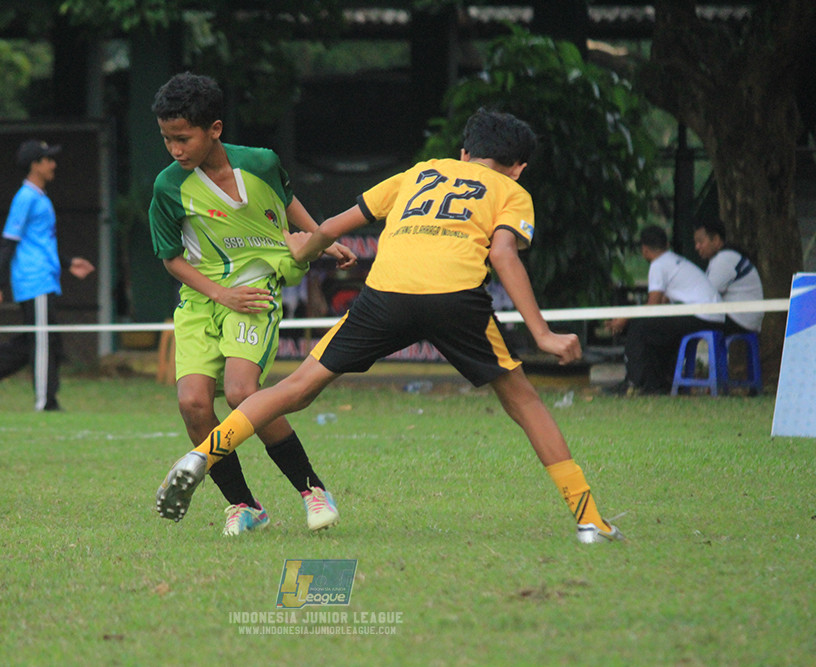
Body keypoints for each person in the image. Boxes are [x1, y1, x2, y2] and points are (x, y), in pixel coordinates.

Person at [156, 108, 624, 544]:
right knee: (524, 402)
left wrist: (306, 249)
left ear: (463, 152)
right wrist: (542, 333)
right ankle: (588, 519)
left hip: (385, 294)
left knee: (297, 387)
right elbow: (502, 254)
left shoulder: (418, 173)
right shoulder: (512, 191)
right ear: (519, 167)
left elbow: (337, 224)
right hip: (455, 299)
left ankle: (203, 454)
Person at [148, 72, 356, 536]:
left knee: (244, 393)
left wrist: (322, 239)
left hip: (255, 290)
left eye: (183, 138)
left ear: (215, 130)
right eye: (167, 140)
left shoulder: (261, 163)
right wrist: (220, 293)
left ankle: (311, 490)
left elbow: (288, 201)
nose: (175, 149)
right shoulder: (167, 187)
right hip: (203, 299)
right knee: (193, 403)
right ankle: (245, 505)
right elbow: (171, 260)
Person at [0, 139, 95, 412]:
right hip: (34, 280)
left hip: (44, 276)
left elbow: (39, 243)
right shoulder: (26, 198)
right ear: (35, 165)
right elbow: (9, 241)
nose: (53, 164)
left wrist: (68, 263)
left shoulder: (39, 197)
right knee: (44, 341)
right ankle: (46, 403)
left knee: (33, 341)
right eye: (48, 160)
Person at [606, 225, 723, 395]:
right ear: (666, 244)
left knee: (639, 326)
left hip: (702, 315)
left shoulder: (658, 265)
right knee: (656, 329)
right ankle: (660, 383)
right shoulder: (675, 260)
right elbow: (663, 301)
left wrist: (625, 318)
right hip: (712, 315)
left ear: (644, 250)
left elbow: (652, 308)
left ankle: (634, 381)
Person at [693, 220, 764, 334]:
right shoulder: (722, 258)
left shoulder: (725, 259)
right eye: (695, 243)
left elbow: (706, 295)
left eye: (700, 242)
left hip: (741, 319)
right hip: (742, 317)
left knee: (683, 323)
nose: (697, 247)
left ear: (715, 240)